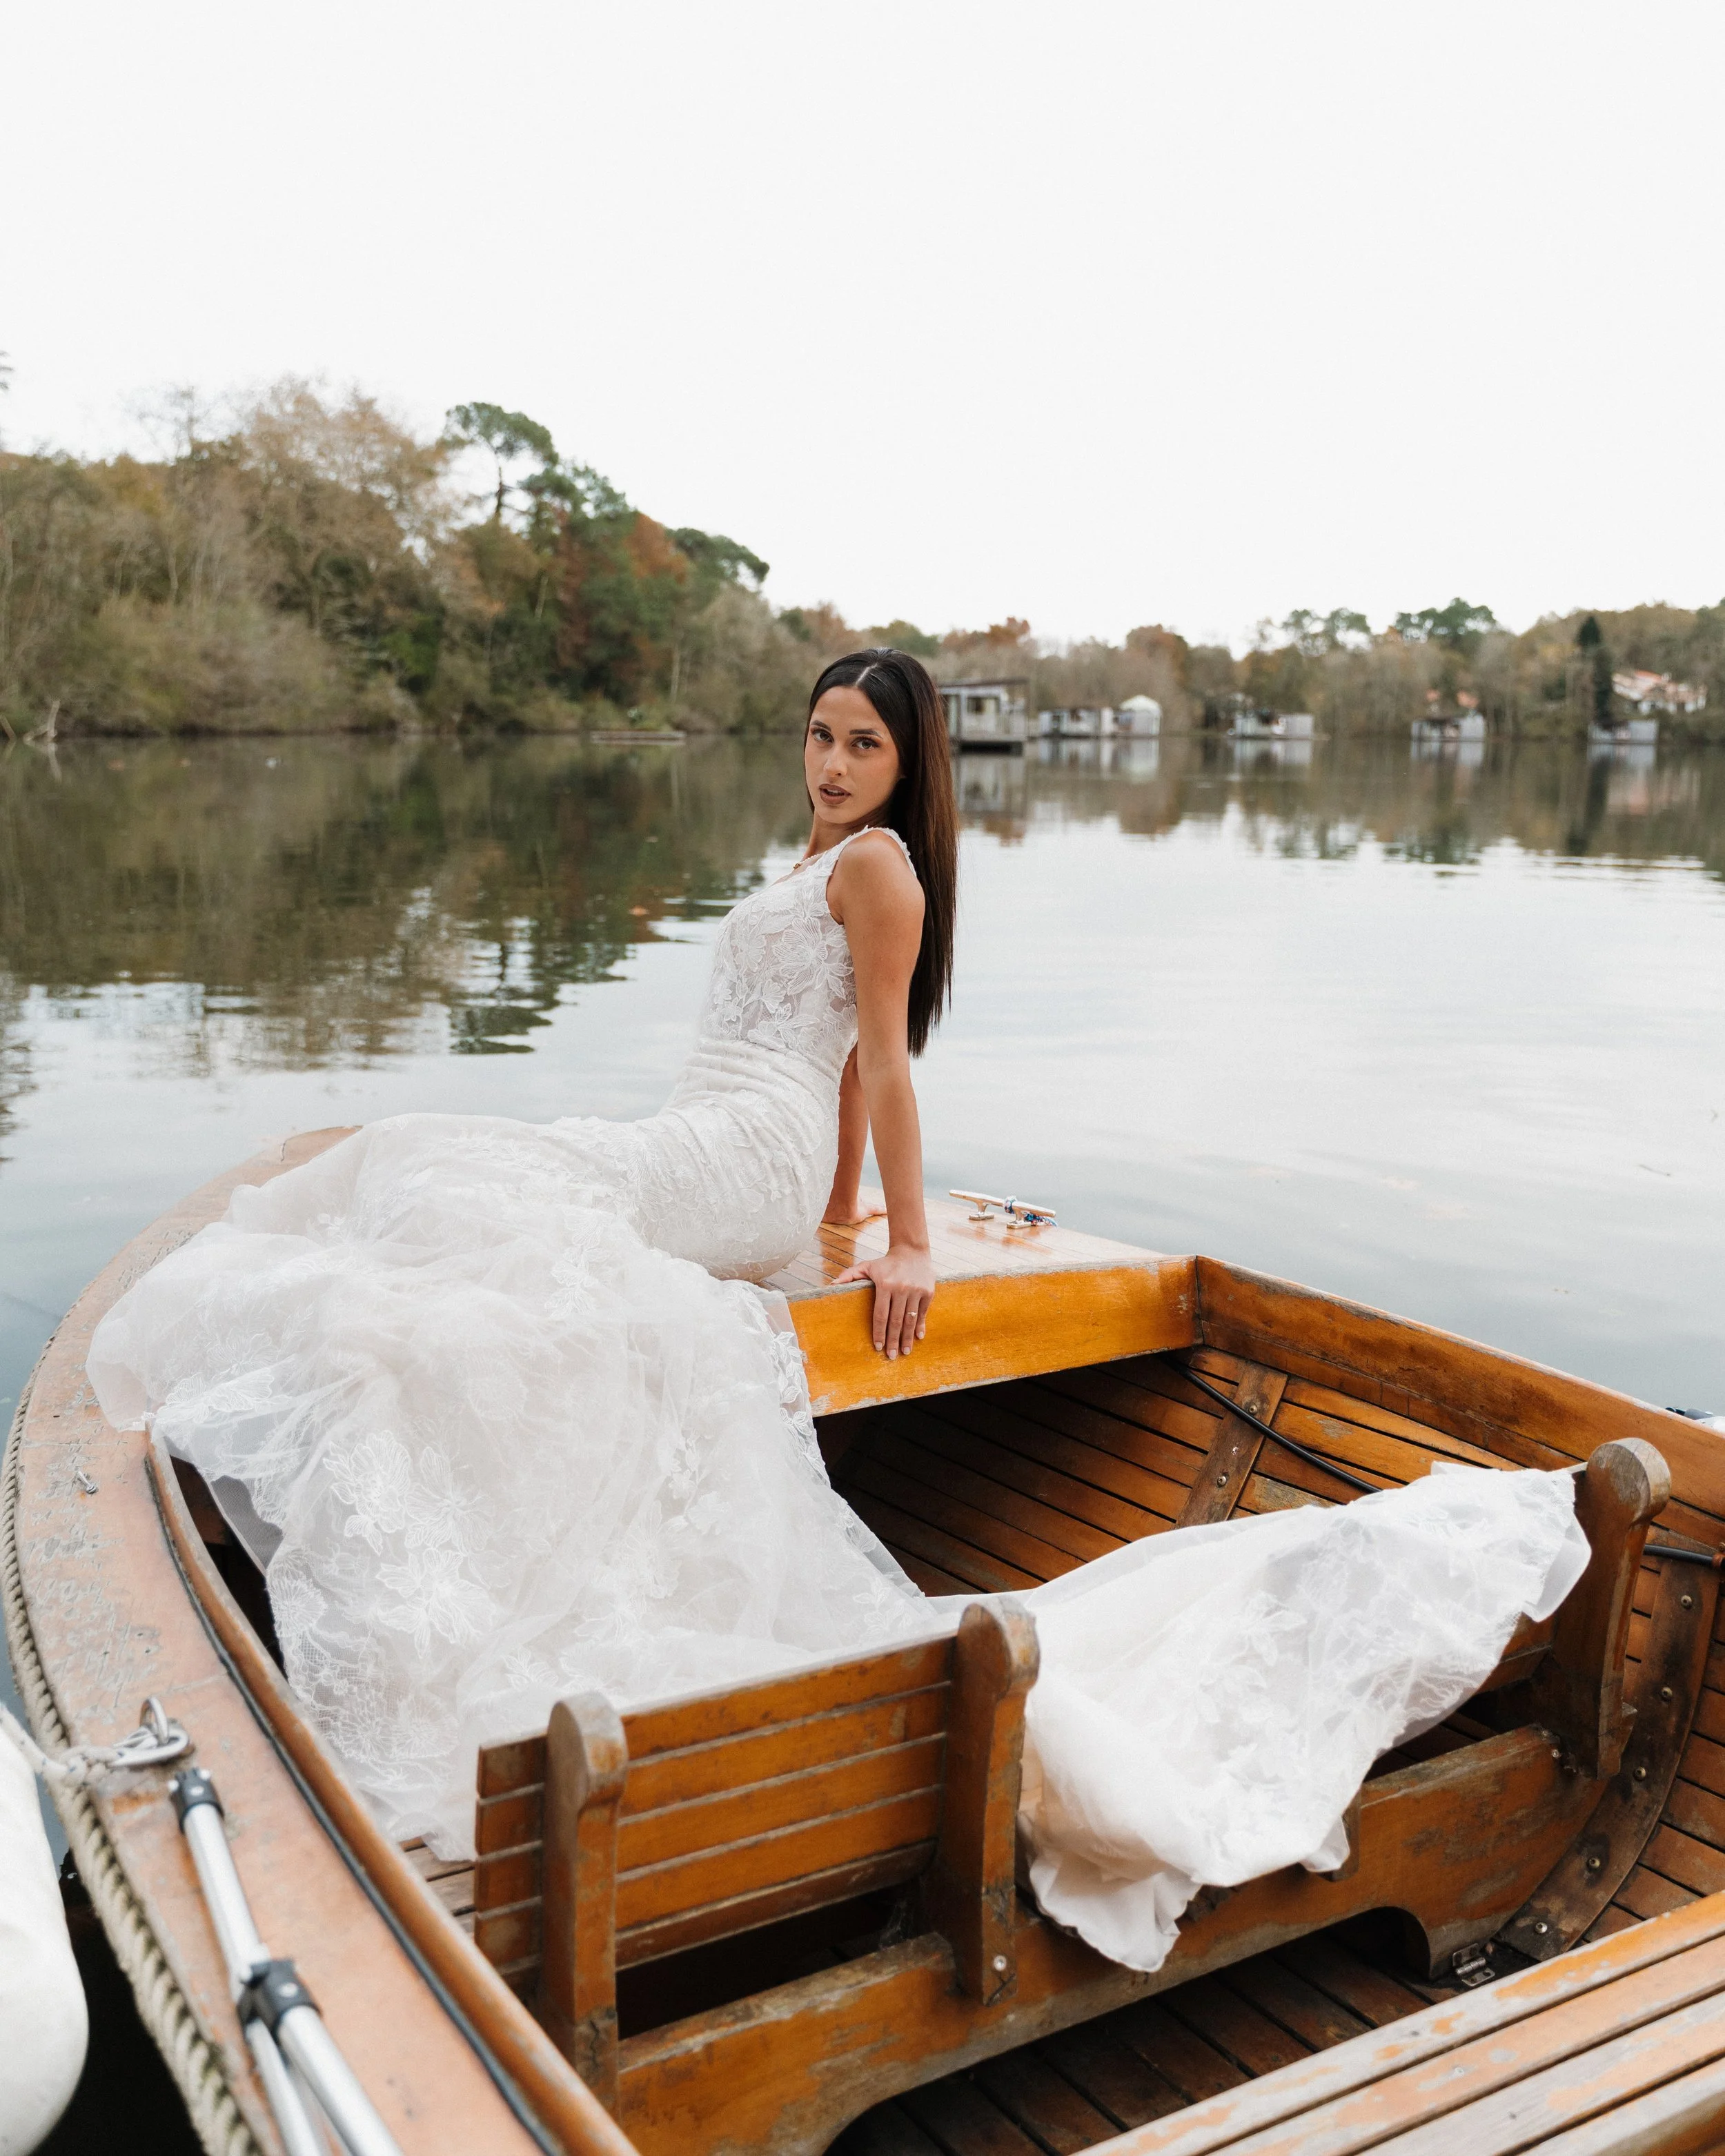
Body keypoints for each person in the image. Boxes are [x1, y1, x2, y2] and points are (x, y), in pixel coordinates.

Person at [87, 648, 1590, 1975]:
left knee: (432, 1168)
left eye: (860, 743)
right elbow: (821, 1067)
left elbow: (880, 1058)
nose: (828, 761)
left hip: (736, 1151)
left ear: (907, 763)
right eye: (816, 733)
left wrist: (908, 1241)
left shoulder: (877, 867)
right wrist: (826, 1225)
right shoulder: (810, 860)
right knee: (444, 1189)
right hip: (732, 1152)